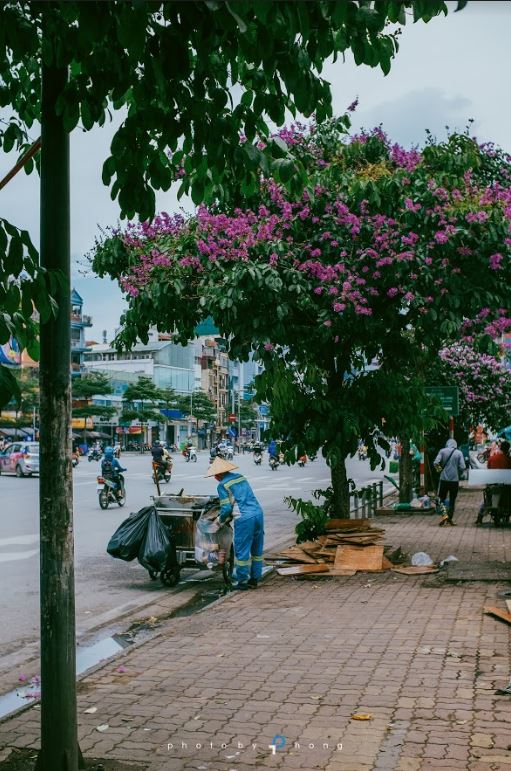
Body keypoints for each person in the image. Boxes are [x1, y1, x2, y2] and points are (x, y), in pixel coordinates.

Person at [205, 457, 264, 591]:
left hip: (244, 518)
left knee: (242, 551)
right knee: (256, 549)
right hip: (258, 513)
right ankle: (255, 578)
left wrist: (219, 521)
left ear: (218, 474)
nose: (215, 477)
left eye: (215, 475)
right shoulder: (240, 477)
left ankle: (242, 581)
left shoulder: (222, 485)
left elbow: (226, 509)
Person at [433, 439, 466, 526]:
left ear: (447, 444)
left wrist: (440, 471)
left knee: (441, 500)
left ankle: (444, 516)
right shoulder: (459, 453)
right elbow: (463, 467)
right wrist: (458, 472)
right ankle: (449, 518)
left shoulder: (442, 451)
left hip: (443, 479)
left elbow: (436, 463)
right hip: (454, 481)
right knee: (452, 500)